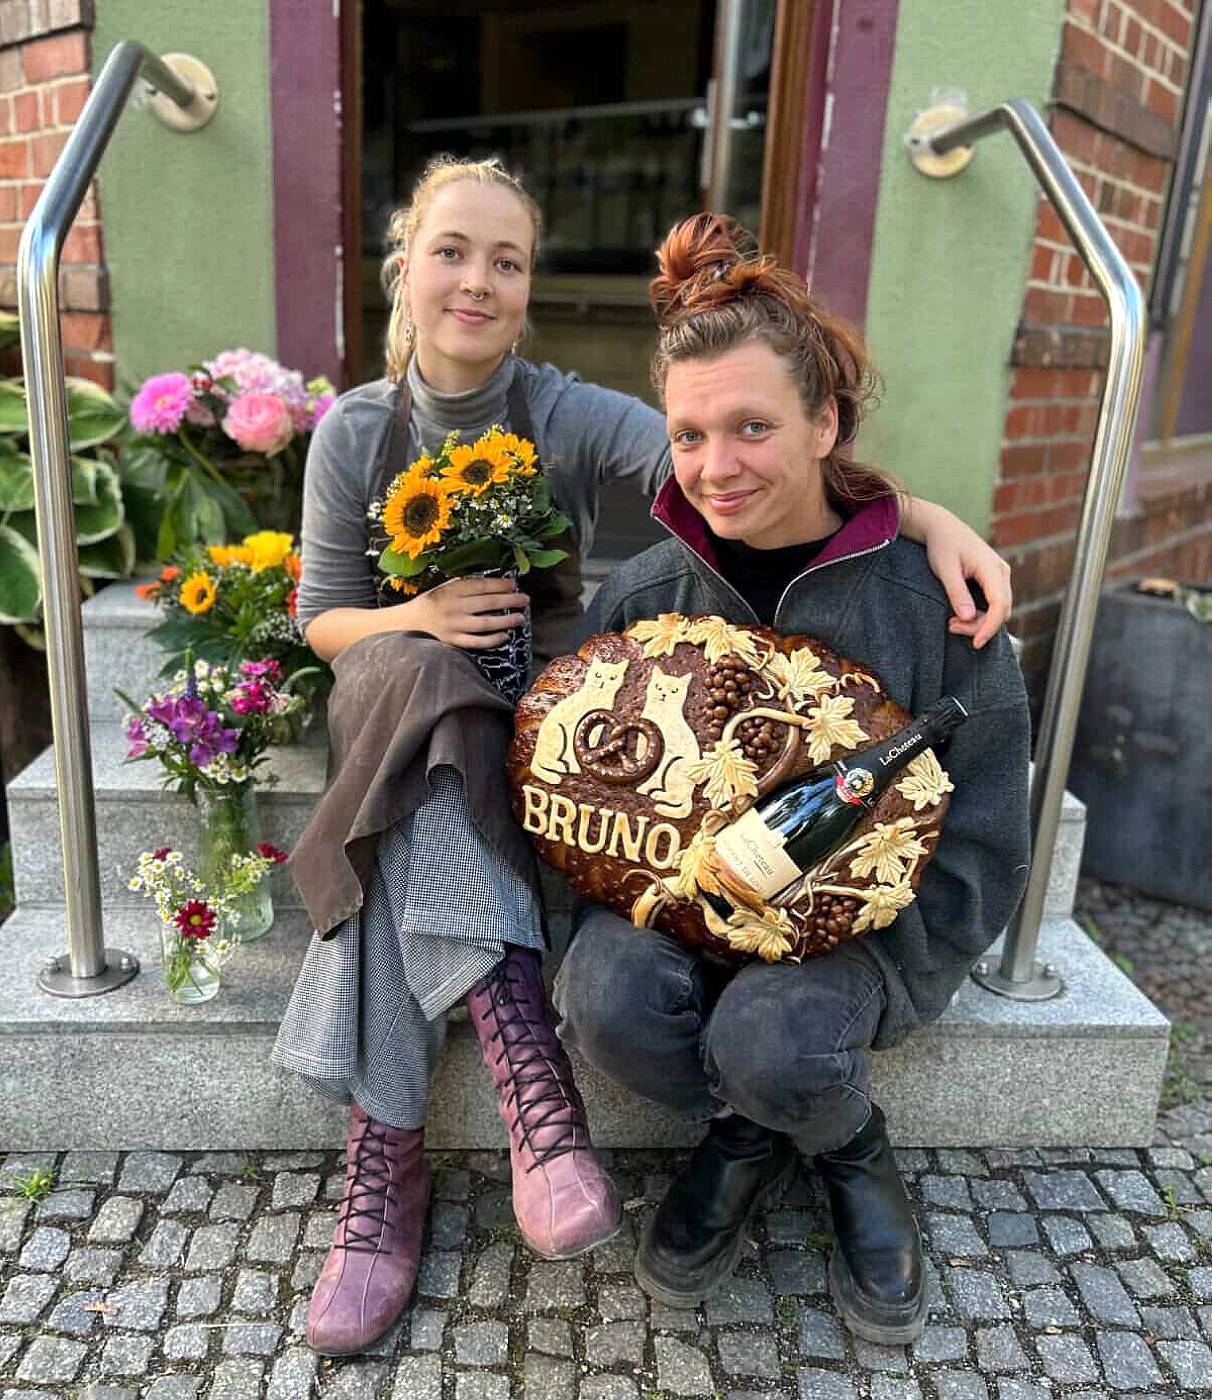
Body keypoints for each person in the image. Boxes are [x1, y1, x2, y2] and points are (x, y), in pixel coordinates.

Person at [273, 155, 1017, 1356]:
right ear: (400, 265)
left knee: (760, 1027)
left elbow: (723, 450)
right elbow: (322, 611)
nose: (478, 280)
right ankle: (529, 1045)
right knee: (417, 707)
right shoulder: (367, 435)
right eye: (451, 251)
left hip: (566, 757)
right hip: (418, 708)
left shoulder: (571, 417)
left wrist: (919, 517)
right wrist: (417, 619)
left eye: (507, 259)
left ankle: (779, 1136)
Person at [553, 212, 1032, 1345]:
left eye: (753, 425)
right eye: (687, 434)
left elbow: (989, 830)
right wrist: (624, 903)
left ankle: (839, 1143)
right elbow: (582, 792)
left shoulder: (936, 607)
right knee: (600, 998)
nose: (715, 467)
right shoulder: (642, 595)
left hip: (854, 933)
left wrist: (892, 958)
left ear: (825, 422)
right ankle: (755, 1126)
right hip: (677, 901)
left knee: (776, 1039)